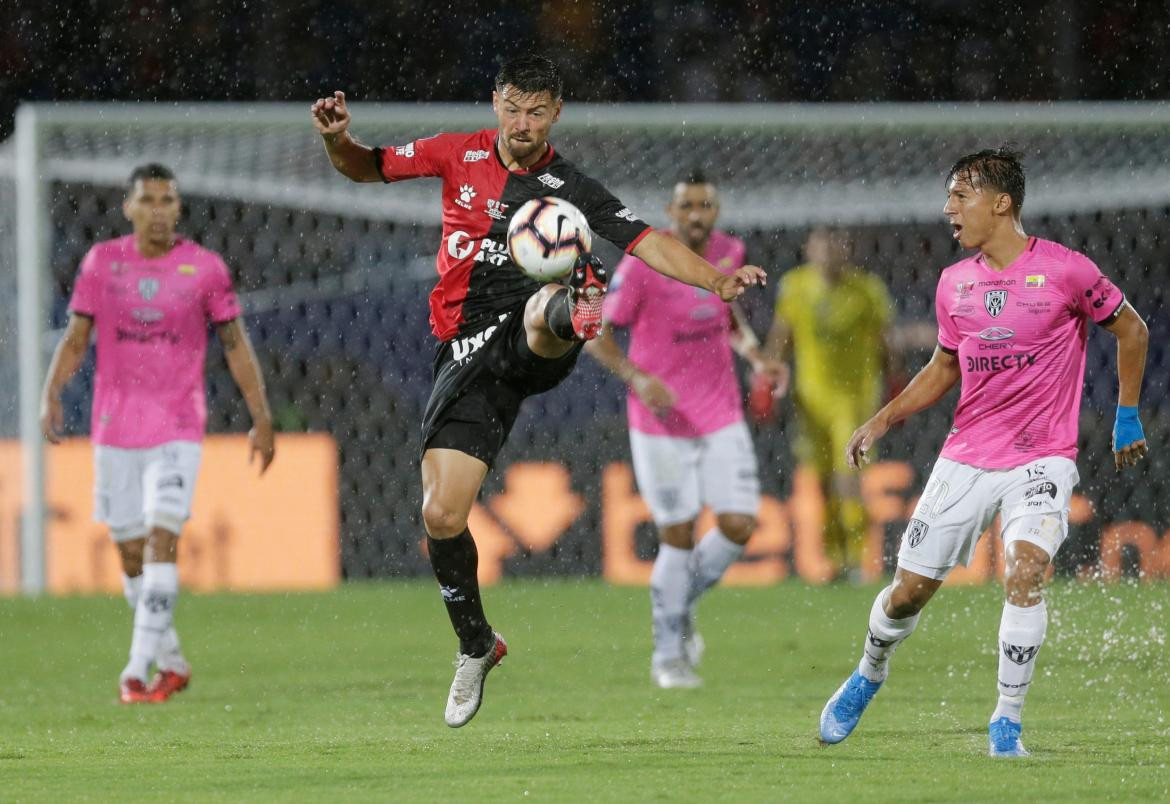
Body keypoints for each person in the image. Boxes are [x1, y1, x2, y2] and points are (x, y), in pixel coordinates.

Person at [312, 54, 766, 727]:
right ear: (496, 102)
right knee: (441, 516)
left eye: (538, 111)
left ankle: (576, 310)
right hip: (466, 356)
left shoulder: (568, 185)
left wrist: (715, 280)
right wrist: (335, 139)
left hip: (533, 339)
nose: (523, 123)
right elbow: (365, 165)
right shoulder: (452, 155)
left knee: (545, 305)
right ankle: (476, 644)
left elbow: (644, 240)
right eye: (514, 108)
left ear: (556, 113)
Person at [817, 148, 1149, 757]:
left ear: (1002, 203)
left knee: (1025, 572)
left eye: (960, 195)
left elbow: (1133, 328)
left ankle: (1006, 723)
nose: (948, 208)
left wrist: (1126, 413)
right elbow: (945, 365)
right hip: (967, 456)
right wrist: (883, 417)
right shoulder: (955, 283)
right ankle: (869, 671)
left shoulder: (1067, 271)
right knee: (907, 594)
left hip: (1042, 457)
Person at [40, 163, 276, 704]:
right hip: (114, 428)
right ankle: (171, 661)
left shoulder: (205, 268)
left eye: (168, 200)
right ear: (129, 207)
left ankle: (134, 670)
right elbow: (77, 337)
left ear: (178, 208)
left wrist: (261, 417)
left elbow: (236, 345)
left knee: (161, 541)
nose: (159, 210)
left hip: (177, 426)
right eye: (148, 200)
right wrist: (50, 391)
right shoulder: (102, 264)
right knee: (129, 556)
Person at [585, 170, 786, 689]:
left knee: (740, 524)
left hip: (719, 412)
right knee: (677, 537)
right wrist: (637, 377)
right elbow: (596, 334)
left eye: (705, 205)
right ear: (671, 212)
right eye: (687, 206)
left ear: (715, 213)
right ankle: (668, 654)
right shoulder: (645, 262)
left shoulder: (729, 251)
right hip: (660, 421)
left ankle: (678, 603)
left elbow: (728, 315)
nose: (697, 215)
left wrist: (757, 358)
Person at [764, 227, 894, 579]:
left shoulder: (866, 290)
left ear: (847, 249)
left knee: (848, 476)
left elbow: (886, 343)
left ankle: (858, 556)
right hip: (810, 399)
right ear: (809, 248)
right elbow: (781, 337)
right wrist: (767, 376)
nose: (830, 251)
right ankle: (835, 557)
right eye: (823, 243)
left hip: (854, 399)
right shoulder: (795, 287)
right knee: (822, 482)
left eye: (838, 243)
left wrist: (897, 389)